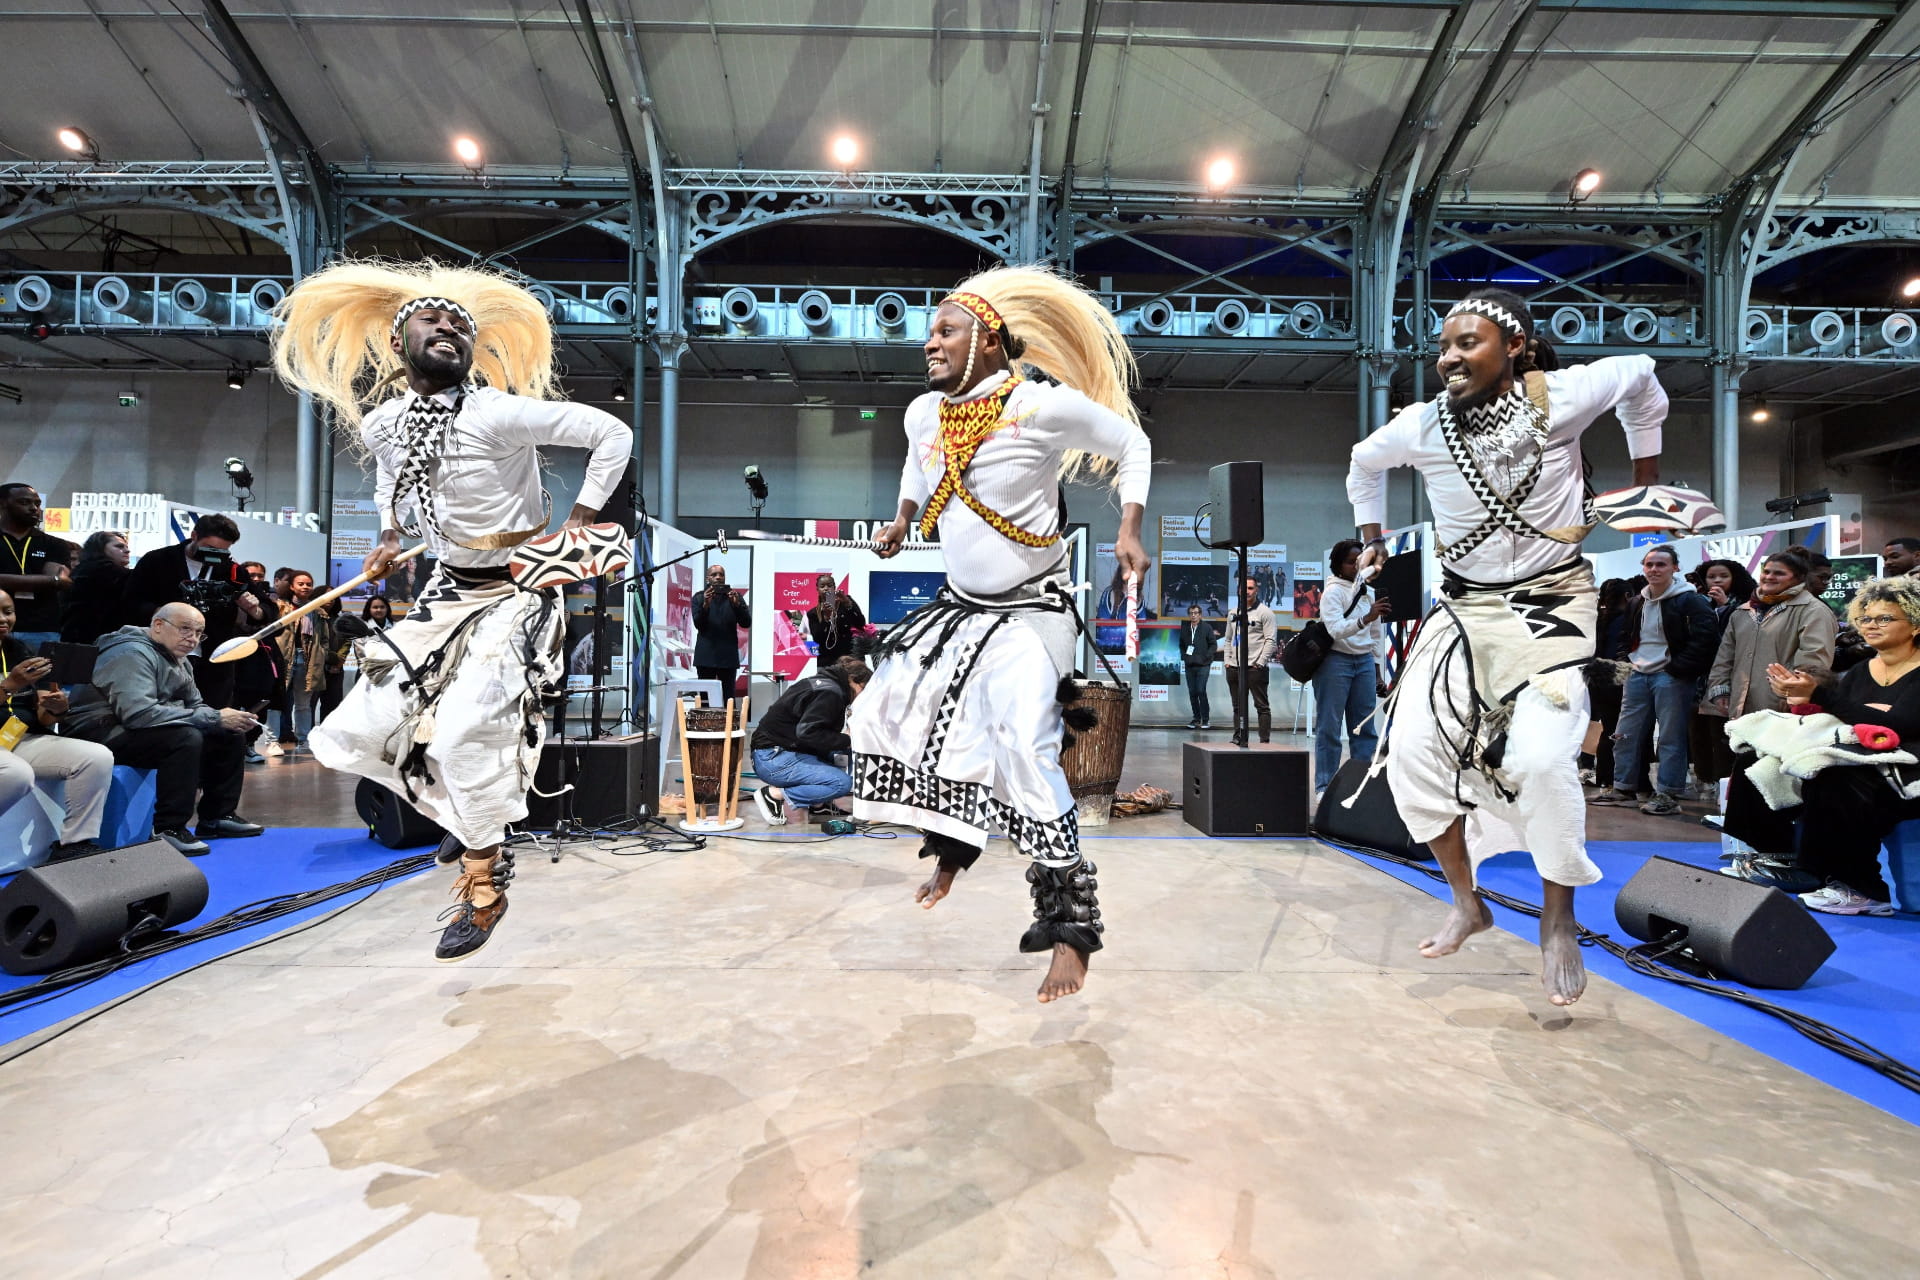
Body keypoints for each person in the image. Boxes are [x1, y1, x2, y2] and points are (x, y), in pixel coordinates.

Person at [270, 258, 632, 962]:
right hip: (446, 590)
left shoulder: (499, 411)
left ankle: (483, 884)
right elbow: (388, 480)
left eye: (460, 325)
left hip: (518, 591)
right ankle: (465, 818)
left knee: (465, 731)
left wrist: (583, 518)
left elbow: (611, 434)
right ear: (397, 341)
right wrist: (387, 535)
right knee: (350, 732)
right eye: (432, 320)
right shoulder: (383, 424)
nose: (449, 329)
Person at [1346, 286, 1670, 1007]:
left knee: (1545, 759)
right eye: (1443, 348)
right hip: (1463, 608)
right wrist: (1373, 538)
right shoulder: (1422, 424)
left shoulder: (1567, 395)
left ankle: (1559, 920)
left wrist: (1644, 481)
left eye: (1468, 343)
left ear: (1515, 346)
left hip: (1551, 601)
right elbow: (1362, 463)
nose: (1449, 358)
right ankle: (1467, 903)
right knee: (1412, 758)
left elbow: (1643, 377)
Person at [855, 264, 1151, 1004]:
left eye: (946, 330)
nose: (930, 343)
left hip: (1031, 612)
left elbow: (1132, 444)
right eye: (929, 332)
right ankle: (955, 847)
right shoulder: (923, 414)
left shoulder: (1038, 406)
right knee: (891, 716)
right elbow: (916, 468)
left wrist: (1129, 528)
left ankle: (1070, 931)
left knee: (1023, 746)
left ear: (989, 342)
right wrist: (901, 519)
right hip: (960, 609)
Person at [1720, 577, 1920, 915]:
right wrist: (1805, 702)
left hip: (1907, 770)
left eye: (1885, 618)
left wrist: (1823, 697)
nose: (1871, 625)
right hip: (1862, 757)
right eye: (1866, 618)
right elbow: (1845, 718)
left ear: (1915, 624)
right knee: (1757, 759)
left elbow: (1900, 725)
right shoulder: (1861, 670)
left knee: (1835, 778)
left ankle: (1864, 888)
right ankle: (1781, 857)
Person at [63, 603, 264, 856]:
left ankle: (217, 816)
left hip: (134, 726)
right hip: (98, 731)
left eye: (198, 633)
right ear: (158, 625)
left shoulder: (177, 657)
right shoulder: (130, 653)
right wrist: (213, 717)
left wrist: (225, 719)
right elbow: (138, 714)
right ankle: (169, 828)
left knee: (228, 734)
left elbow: (195, 705)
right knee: (185, 738)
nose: (192, 639)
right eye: (185, 629)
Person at [1589, 545, 1717, 815]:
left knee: (1671, 737)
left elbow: (1705, 639)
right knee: (1624, 733)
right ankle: (1623, 788)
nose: (1654, 569)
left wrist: (1676, 668)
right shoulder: (1637, 601)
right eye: (1649, 564)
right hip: (1637, 673)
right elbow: (1625, 636)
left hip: (1671, 676)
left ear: (1675, 568)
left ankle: (1668, 794)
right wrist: (1626, 661)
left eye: (1661, 564)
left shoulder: (1690, 600)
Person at [0, 589, 117, 861]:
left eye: (8, 611)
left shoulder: (22, 650)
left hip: (20, 737)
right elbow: (12, 687)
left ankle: (73, 845)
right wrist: (9, 685)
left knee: (96, 756)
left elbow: (43, 715)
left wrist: (56, 708)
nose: (4, 619)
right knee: (17, 773)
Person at [118, 513, 274, 716]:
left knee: (214, 711)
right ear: (194, 536)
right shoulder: (158, 560)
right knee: (167, 711)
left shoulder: (231, 569)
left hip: (214, 658)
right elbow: (130, 602)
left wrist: (254, 609)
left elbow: (269, 610)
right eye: (208, 547)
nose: (214, 555)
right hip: (163, 653)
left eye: (222, 551)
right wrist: (165, 613)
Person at [1702, 547, 1836, 725]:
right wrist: (1721, 691)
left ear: (1798, 578)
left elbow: (1814, 661)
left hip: (1784, 712)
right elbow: (1725, 656)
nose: (1770, 577)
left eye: (1779, 573)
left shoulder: (1813, 610)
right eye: (1766, 571)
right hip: (1740, 710)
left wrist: (1792, 695)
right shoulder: (1743, 611)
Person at [752, 657, 871, 824]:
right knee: (841, 783)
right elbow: (808, 733)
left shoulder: (825, 684)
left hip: (778, 751)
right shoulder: (830, 693)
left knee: (842, 751)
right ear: (854, 681)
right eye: (864, 690)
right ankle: (774, 795)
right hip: (773, 758)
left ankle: (819, 804)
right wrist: (847, 739)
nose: (862, 696)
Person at [1313, 538, 1390, 794]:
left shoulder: (1369, 592)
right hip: (1335, 661)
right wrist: (1366, 617)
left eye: (1360, 562)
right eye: (1350, 562)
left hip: (1364, 661)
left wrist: (1377, 671)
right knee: (1329, 728)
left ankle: (1361, 787)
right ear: (1338, 565)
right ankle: (1325, 787)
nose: (1356, 567)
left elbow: (1375, 635)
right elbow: (1335, 630)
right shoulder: (1332, 592)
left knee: (1365, 728)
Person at [1686, 557, 1758, 798]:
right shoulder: (1696, 602)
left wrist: (1724, 606)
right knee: (1698, 732)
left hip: (1730, 676)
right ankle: (1704, 779)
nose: (1717, 581)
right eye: (1711, 577)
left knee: (1722, 733)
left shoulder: (1747, 605)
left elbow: (1735, 640)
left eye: (1723, 576)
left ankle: (1724, 783)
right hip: (1699, 677)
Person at [0, 483, 76, 650]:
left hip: (41, 628)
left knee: (41, 668)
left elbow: (58, 582)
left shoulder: (55, 544)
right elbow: (54, 580)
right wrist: (51, 580)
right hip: (2, 625)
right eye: (24, 502)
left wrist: (53, 581)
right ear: (3, 503)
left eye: (37, 503)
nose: (34, 508)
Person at [1222, 576, 1276, 743]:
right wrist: (1227, 661)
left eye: (1251, 588)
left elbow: (1270, 640)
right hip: (1234, 668)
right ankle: (1238, 737)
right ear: (1238, 590)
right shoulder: (1233, 612)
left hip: (1254, 668)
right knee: (1237, 707)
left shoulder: (1265, 612)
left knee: (1262, 707)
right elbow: (1228, 639)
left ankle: (1264, 741)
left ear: (1256, 590)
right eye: (1243, 588)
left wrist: (1260, 663)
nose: (1247, 591)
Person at [59, 530, 132, 644]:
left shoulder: (83, 569)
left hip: (77, 639)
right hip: (95, 641)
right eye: (119, 546)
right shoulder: (104, 570)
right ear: (100, 549)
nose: (127, 550)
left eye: (126, 547)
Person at [693, 564, 750, 705]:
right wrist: (706, 605)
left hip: (728, 655)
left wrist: (737, 605)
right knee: (705, 699)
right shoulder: (699, 597)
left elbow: (746, 623)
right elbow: (698, 624)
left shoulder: (735, 596)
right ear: (707, 578)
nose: (718, 577)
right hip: (706, 655)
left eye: (721, 574)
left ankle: (730, 720)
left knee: (729, 698)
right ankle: (705, 720)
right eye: (714, 575)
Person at [806, 572, 866, 668]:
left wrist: (847, 604)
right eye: (822, 586)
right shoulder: (813, 613)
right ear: (817, 589)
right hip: (827, 661)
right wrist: (826, 617)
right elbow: (817, 639)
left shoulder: (846, 601)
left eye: (829, 585)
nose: (826, 588)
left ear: (834, 587)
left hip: (850, 658)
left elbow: (861, 624)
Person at [1178, 604, 1219, 729]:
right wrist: (1185, 657)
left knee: (1201, 690)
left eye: (1196, 613)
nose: (1193, 615)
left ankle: (1205, 719)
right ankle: (1196, 719)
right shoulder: (1185, 628)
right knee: (1192, 692)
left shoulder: (1207, 627)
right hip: (1189, 665)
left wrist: (1206, 657)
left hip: (1203, 665)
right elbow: (1181, 645)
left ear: (1200, 615)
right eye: (1191, 613)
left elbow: (1213, 645)